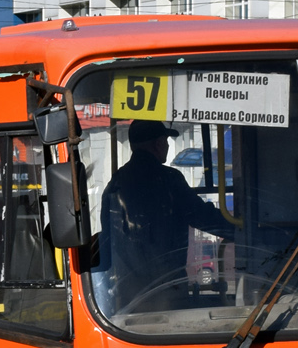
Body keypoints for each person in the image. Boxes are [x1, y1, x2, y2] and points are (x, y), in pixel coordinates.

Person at [98, 119, 236, 311]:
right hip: (167, 289)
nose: (168, 146)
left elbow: (107, 236)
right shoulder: (169, 179)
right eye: (166, 142)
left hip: (126, 294)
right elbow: (202, 217)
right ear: (159, 144)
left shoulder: (114, 185)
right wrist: (239, 229)